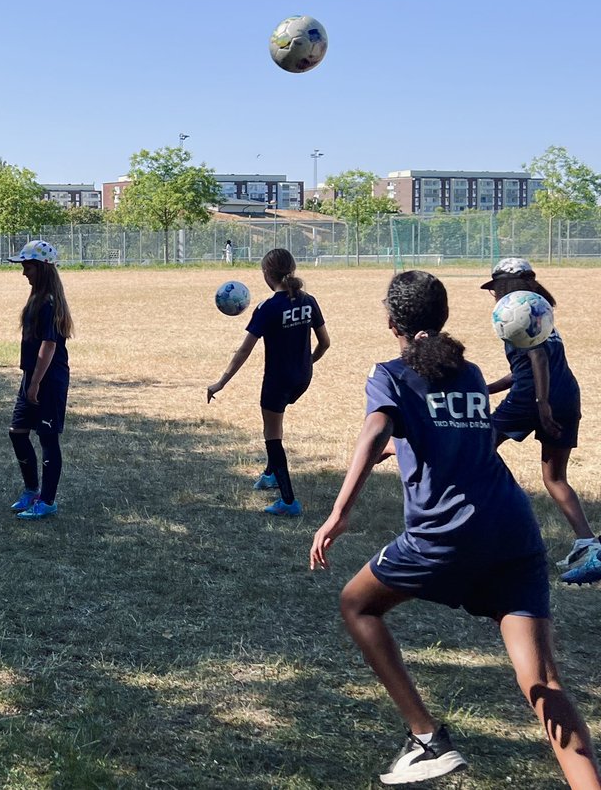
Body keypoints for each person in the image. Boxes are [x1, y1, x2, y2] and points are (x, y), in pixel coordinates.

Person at [310, 270, 599, 788]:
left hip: (444, 535)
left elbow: (378, 424)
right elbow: (457, 433)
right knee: (543, 682)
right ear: (440, 319)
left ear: (391, 321)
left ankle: (427, 739)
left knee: (358, 604)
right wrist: (403, 445)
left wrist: (339, 512)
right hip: (512, 532)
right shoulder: (465, 373)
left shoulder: (391, 373)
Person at [481, 257, 600, 585]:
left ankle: (506, 516)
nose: (493, 295)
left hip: (533, 397)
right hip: (567, 395)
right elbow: (526, 363)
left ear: (509, 286)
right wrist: (489, 387)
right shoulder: (541, 311)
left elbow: (536, 358)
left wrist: (541, 404)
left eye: (495, 287)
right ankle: (588, 544)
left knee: (479, 448)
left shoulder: (518, 311)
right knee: (555, 478)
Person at [207, 248, 329, 516]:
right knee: (277, 421)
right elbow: (325, 343)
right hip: (302, 377)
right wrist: (306, 363)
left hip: (278, 380)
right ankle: (270, 474)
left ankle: (288, 501)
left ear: (266, 274)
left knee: (272, 434)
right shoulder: (309, 300)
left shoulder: (268, 308)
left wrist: (221, 383)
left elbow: (243, 351)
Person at [6, 240, 73, 520]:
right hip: (30, 377)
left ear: (42, 268)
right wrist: (27, 379)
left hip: (48, 380)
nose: (24, 273)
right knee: (17, 432)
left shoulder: (49, 302)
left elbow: (49, 347)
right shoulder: (36, 297)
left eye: (28, 267)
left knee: (48, 439)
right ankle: (31, 489)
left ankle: (47, 501)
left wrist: (34, 384)